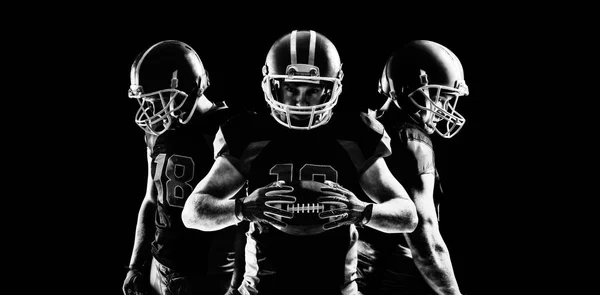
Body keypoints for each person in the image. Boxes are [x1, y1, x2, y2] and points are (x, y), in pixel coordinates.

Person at [181, 29, 418, 295]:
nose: (301, 100)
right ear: (272, 85)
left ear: (332, 88)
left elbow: (407, 216)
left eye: (313, 90)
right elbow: (192, 213)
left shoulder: (355, 134)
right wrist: (244, 208)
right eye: (291, 89)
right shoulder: (249, 134)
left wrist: (362, 211)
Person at [122, 40, 243, 295]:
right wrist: (136, 265)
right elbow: (151, 200)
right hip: (159, 269)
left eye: (159, 98)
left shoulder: (232, 128)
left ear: (189, 88)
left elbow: (245, 218)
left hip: (209, 277)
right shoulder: (156, 132)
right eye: (146, 101)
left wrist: (239, 280)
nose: (151, 110)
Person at [357, 40, 468, 295]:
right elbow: (426, 243)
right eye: (442, 97)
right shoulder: (413, 142)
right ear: (416, 89)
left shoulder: (369, 129)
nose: (444, 110)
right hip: (382, 281)